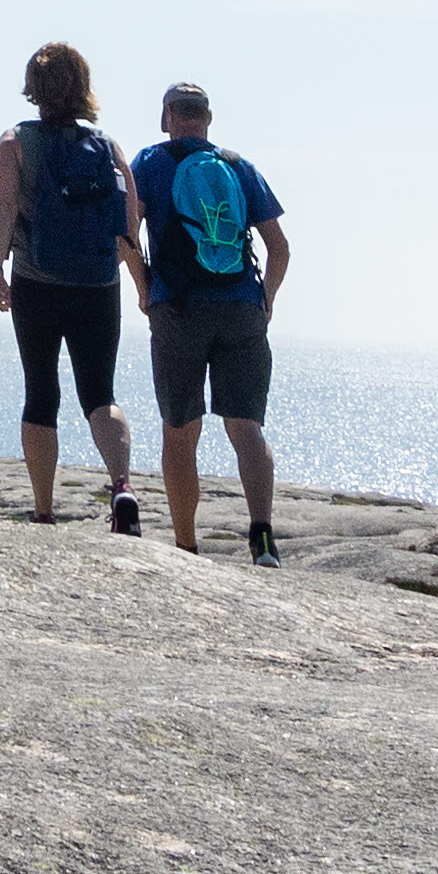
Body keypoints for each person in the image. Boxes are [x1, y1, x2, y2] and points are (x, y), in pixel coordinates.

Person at [0, 41, 148, 527]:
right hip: (97, 283)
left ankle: (43, 508)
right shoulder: (108, 146)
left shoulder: (15, 140)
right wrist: (138, 281)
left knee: (41, 391)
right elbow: (128, 221)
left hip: (37, 280)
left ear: (33, 89)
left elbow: (4, 206)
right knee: (101, 392)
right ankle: (121, 486)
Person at [132, 79, 292, 560]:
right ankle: (262, 535)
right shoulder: (238, 166)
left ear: (167, 119)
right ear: (207, 119)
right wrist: (265, 301)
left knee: (181, 430)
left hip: (178, 308)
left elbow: (125, 235)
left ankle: (186, 546)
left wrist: (145, 292)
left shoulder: (150, 163)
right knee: (246, 428)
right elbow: (279, 249)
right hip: (241, 306)